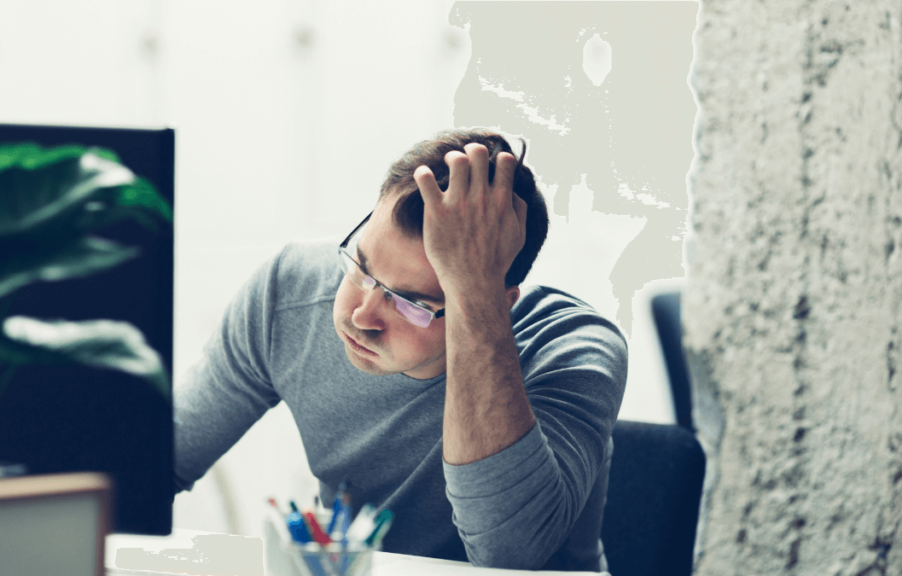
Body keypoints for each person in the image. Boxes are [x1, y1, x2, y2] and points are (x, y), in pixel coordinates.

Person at [173, 128, 627, 571]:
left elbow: (507, 557)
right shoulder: (288, 291)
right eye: (361, 266)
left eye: (412, 302)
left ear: (499, 303)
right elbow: (156, 464)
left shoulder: (576, 348)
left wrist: (473, 293)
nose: (361, 317)